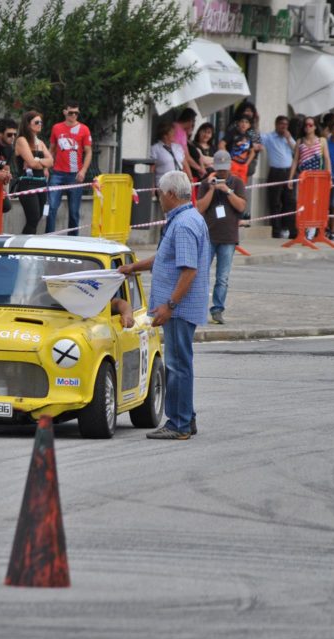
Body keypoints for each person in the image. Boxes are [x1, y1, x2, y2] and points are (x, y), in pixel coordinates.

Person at [117, 170, 209, 441]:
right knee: (181, 363)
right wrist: (134, 267)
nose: (158, 198)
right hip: (179, 307)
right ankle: (186, 418)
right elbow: (165, 258)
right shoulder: (188, 219)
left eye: (160, 193)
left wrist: (169, 305)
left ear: (170, 194)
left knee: (177, 365)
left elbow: (188, 270)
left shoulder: (183, 225)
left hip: (179, 309)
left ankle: (178, 424)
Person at [194, 150, 245, 326]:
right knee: (201, 274)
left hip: (228, 237)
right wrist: (211, 188)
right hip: (209, 236)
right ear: (214, 167)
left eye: (225, 169)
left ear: (229, 166)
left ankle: (217, 310)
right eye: (219, 169)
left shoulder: (237, 183)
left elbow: (242, 207)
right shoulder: (205, 183)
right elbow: (199, 208)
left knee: (222, 277)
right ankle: (198, 308)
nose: (222, 173)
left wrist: (228, 191)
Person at [46, 100, 92, 235]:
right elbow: (52, 149)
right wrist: (46, 165)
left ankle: (73, 240)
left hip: (75, 174)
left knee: (74, 211)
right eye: (71, 112)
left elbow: (88, 151)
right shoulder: (56, 128)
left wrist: (83, 170)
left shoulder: (84, 129)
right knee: (52, 207)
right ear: (65, 112)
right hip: (57, 173)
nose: (73, 116)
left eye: (76, 113)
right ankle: (48, 237)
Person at [13, 110, 52, 234]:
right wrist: (40, 162)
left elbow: (51, 161)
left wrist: (37, 161)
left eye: (41, 122)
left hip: (41, 183)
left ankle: (27, 244)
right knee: (33, 217)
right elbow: (31, 163)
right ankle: (22, 248)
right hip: (28, 183)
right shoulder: (22, 140)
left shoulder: (40, 143)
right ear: (28, 124)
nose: (40, 124)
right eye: (36, 122)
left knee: (38, 217)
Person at [263, 115, 296, 239]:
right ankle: (276, 231)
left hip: (289, 173)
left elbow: (297, 150)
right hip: (275, 172)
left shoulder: (288, 138)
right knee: (275, 202)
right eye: (282, 124)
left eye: (286, 124)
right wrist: (254, 124)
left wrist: (289, 138)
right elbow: (254, 137)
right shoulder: (269, 138)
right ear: (276, 125)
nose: (284, 127)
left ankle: (286, 228)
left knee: (289, 202)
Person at [288, 117, 328, 191]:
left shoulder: (322, 141)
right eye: (306, 125)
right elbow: (295, 160)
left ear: (315, 127)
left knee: (316, 201)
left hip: (318, 177)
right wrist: (290, 178)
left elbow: (327, 160)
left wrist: (329, 177)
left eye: (310, 125)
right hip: (303, 177)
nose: (307, 127)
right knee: (303, 201)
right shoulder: (299, 141)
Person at [220, 115, 254, 184]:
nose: (244, 124)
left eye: (246, 122)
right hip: (232, 164)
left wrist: (246, 164)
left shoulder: (249, 136)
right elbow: (221, 144)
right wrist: (228, 159)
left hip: (243, 166)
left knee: (241, 187)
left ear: (249, 125)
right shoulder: (232, 133)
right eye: (242, 121)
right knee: (230, 185)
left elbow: (252, 152)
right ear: (238, 123)